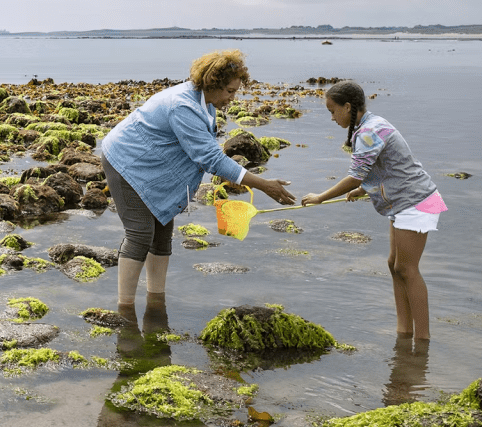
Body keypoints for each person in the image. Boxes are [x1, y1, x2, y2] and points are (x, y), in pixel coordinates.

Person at [101, 49, 296, 317]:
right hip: (126, 162)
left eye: (235, 91)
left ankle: (156, 301)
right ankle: (125, 309)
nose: (232, 97)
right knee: (140, 234)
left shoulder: (205, 103)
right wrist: (263, 184)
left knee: (163, 228)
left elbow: (205, 152)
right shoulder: (183, 105)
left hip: (153, 166)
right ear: (211, 83)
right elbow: (210, 157)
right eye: (229, 91)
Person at [302, 80, 446, 341]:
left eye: (332, 111)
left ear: (348, 107)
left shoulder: (369, 131)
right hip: (404, 202)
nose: (332, 117)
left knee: (407, 268)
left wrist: (320, 197)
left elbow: (355, 175)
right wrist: (364, 189)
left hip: (418, 201)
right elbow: (384, 166)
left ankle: (422, 340)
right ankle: (404, 332)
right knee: (394, 265)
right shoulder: (369, 125)